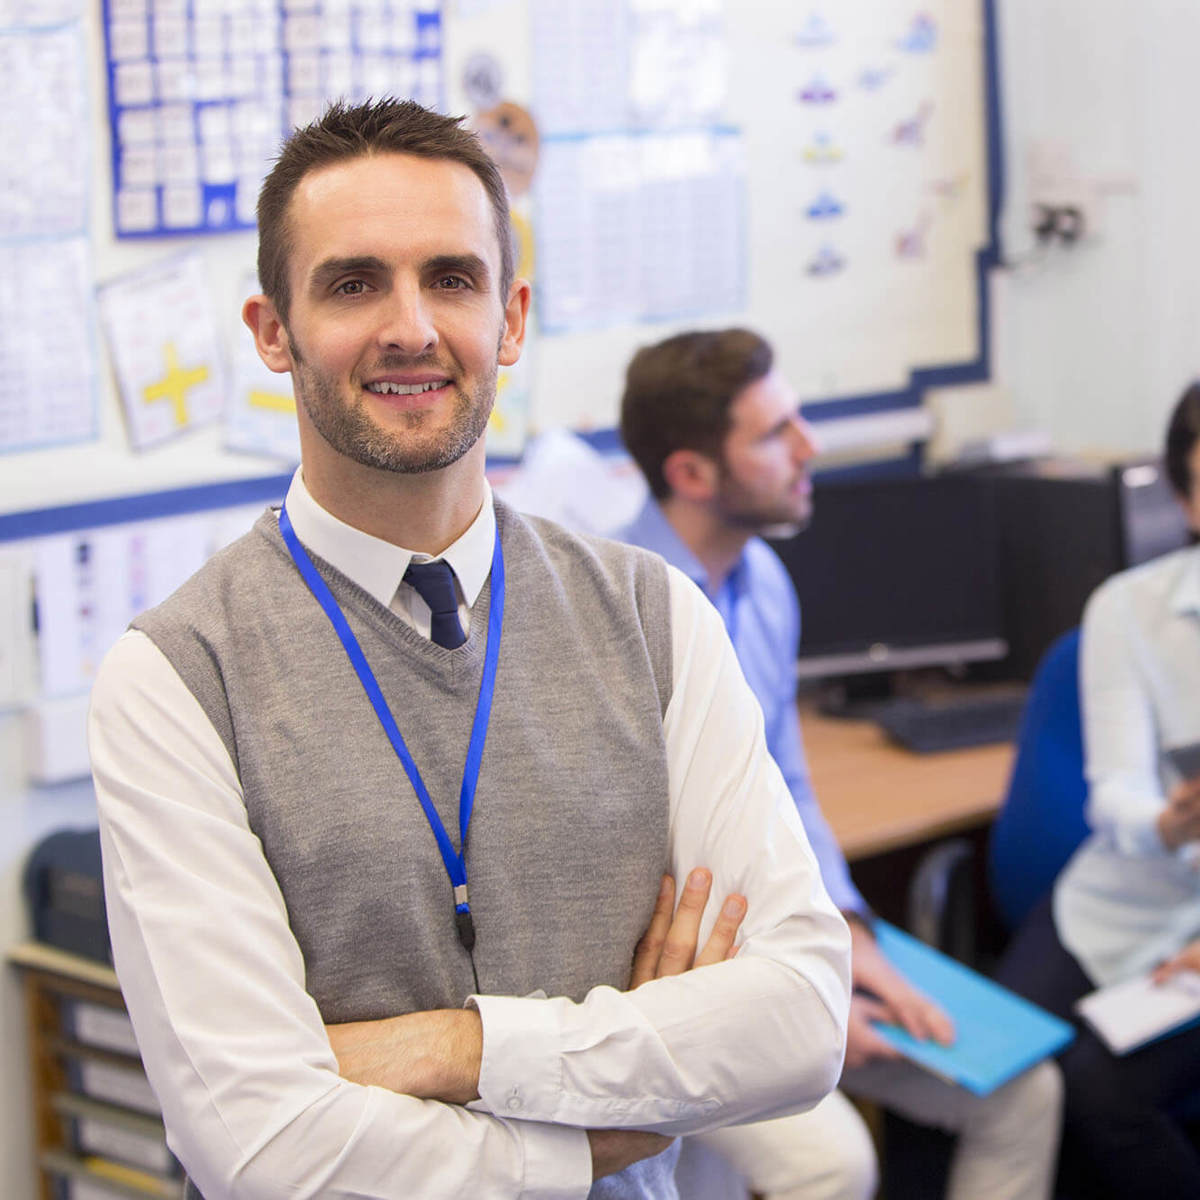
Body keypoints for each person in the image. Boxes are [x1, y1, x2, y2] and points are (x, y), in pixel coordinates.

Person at [87, 99, 852, 1200]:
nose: (411, 327)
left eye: (452, 278)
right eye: (353, 284)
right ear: (272, 330)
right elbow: (258, 1146)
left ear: (511, 318)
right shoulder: (175, 677)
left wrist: (454, 1047)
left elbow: (799, 1019)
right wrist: (582, 1138)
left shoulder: (655, 616)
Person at [618, 328, 1063, 1200]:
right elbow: (638, 871)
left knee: (1024, 1092)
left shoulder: (765, 583)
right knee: (835, 1165)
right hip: (680, 976)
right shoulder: (617, 608)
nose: (809, 447)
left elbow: (789, 788)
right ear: (693, 475)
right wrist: (808, 993)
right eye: (775, 433)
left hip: (790, 940)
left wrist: (853, 938)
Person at [995, 382, 1200, 1198]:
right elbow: (1112, 793)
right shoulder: (1129, 610)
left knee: (1103, 1092)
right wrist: (1168, 822)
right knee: (999, 1067)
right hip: (1115, 902)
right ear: (1186, 499)